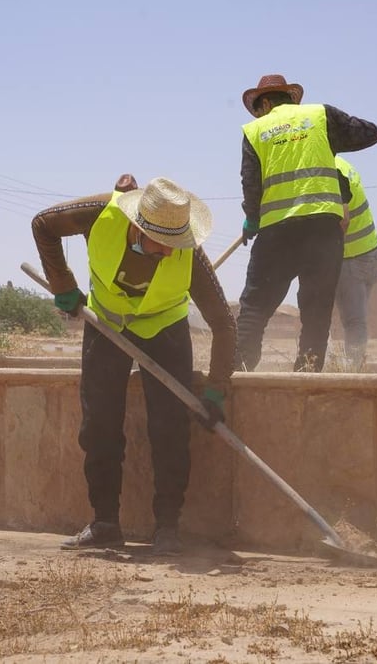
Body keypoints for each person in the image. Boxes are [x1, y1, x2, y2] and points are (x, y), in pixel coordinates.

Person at [31, 177, 237, 555]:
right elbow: (43, 225)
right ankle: (105, 523)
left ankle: (168, 528)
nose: (168, 252)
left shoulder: (187, 253)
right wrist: (62, 283)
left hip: (165, 329)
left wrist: (216, 388)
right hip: (106, 324)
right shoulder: (99, 215)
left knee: (169, 427)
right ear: (138, 226)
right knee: (99, 424)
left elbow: (224, 323)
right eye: (162, 244)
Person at [233, 74, 377, 372]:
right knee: (316, 315)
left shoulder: (255, 130)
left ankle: (239, 374)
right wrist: (331, 142)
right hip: (323, 235)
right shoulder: (319, 116)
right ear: (289, 98)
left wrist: (252, 218)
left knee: (254, 310)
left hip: (277, 235)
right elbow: (372, 133)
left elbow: (251, 184)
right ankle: (306, 377)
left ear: (263, 103)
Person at [333, 157, 377, 370]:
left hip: (352, 258)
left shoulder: (329, 170)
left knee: (353, 321)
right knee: (355, 320)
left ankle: (352, 373)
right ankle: (351, 367)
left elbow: (343, 219)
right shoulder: (342, 163)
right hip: (371, 251)